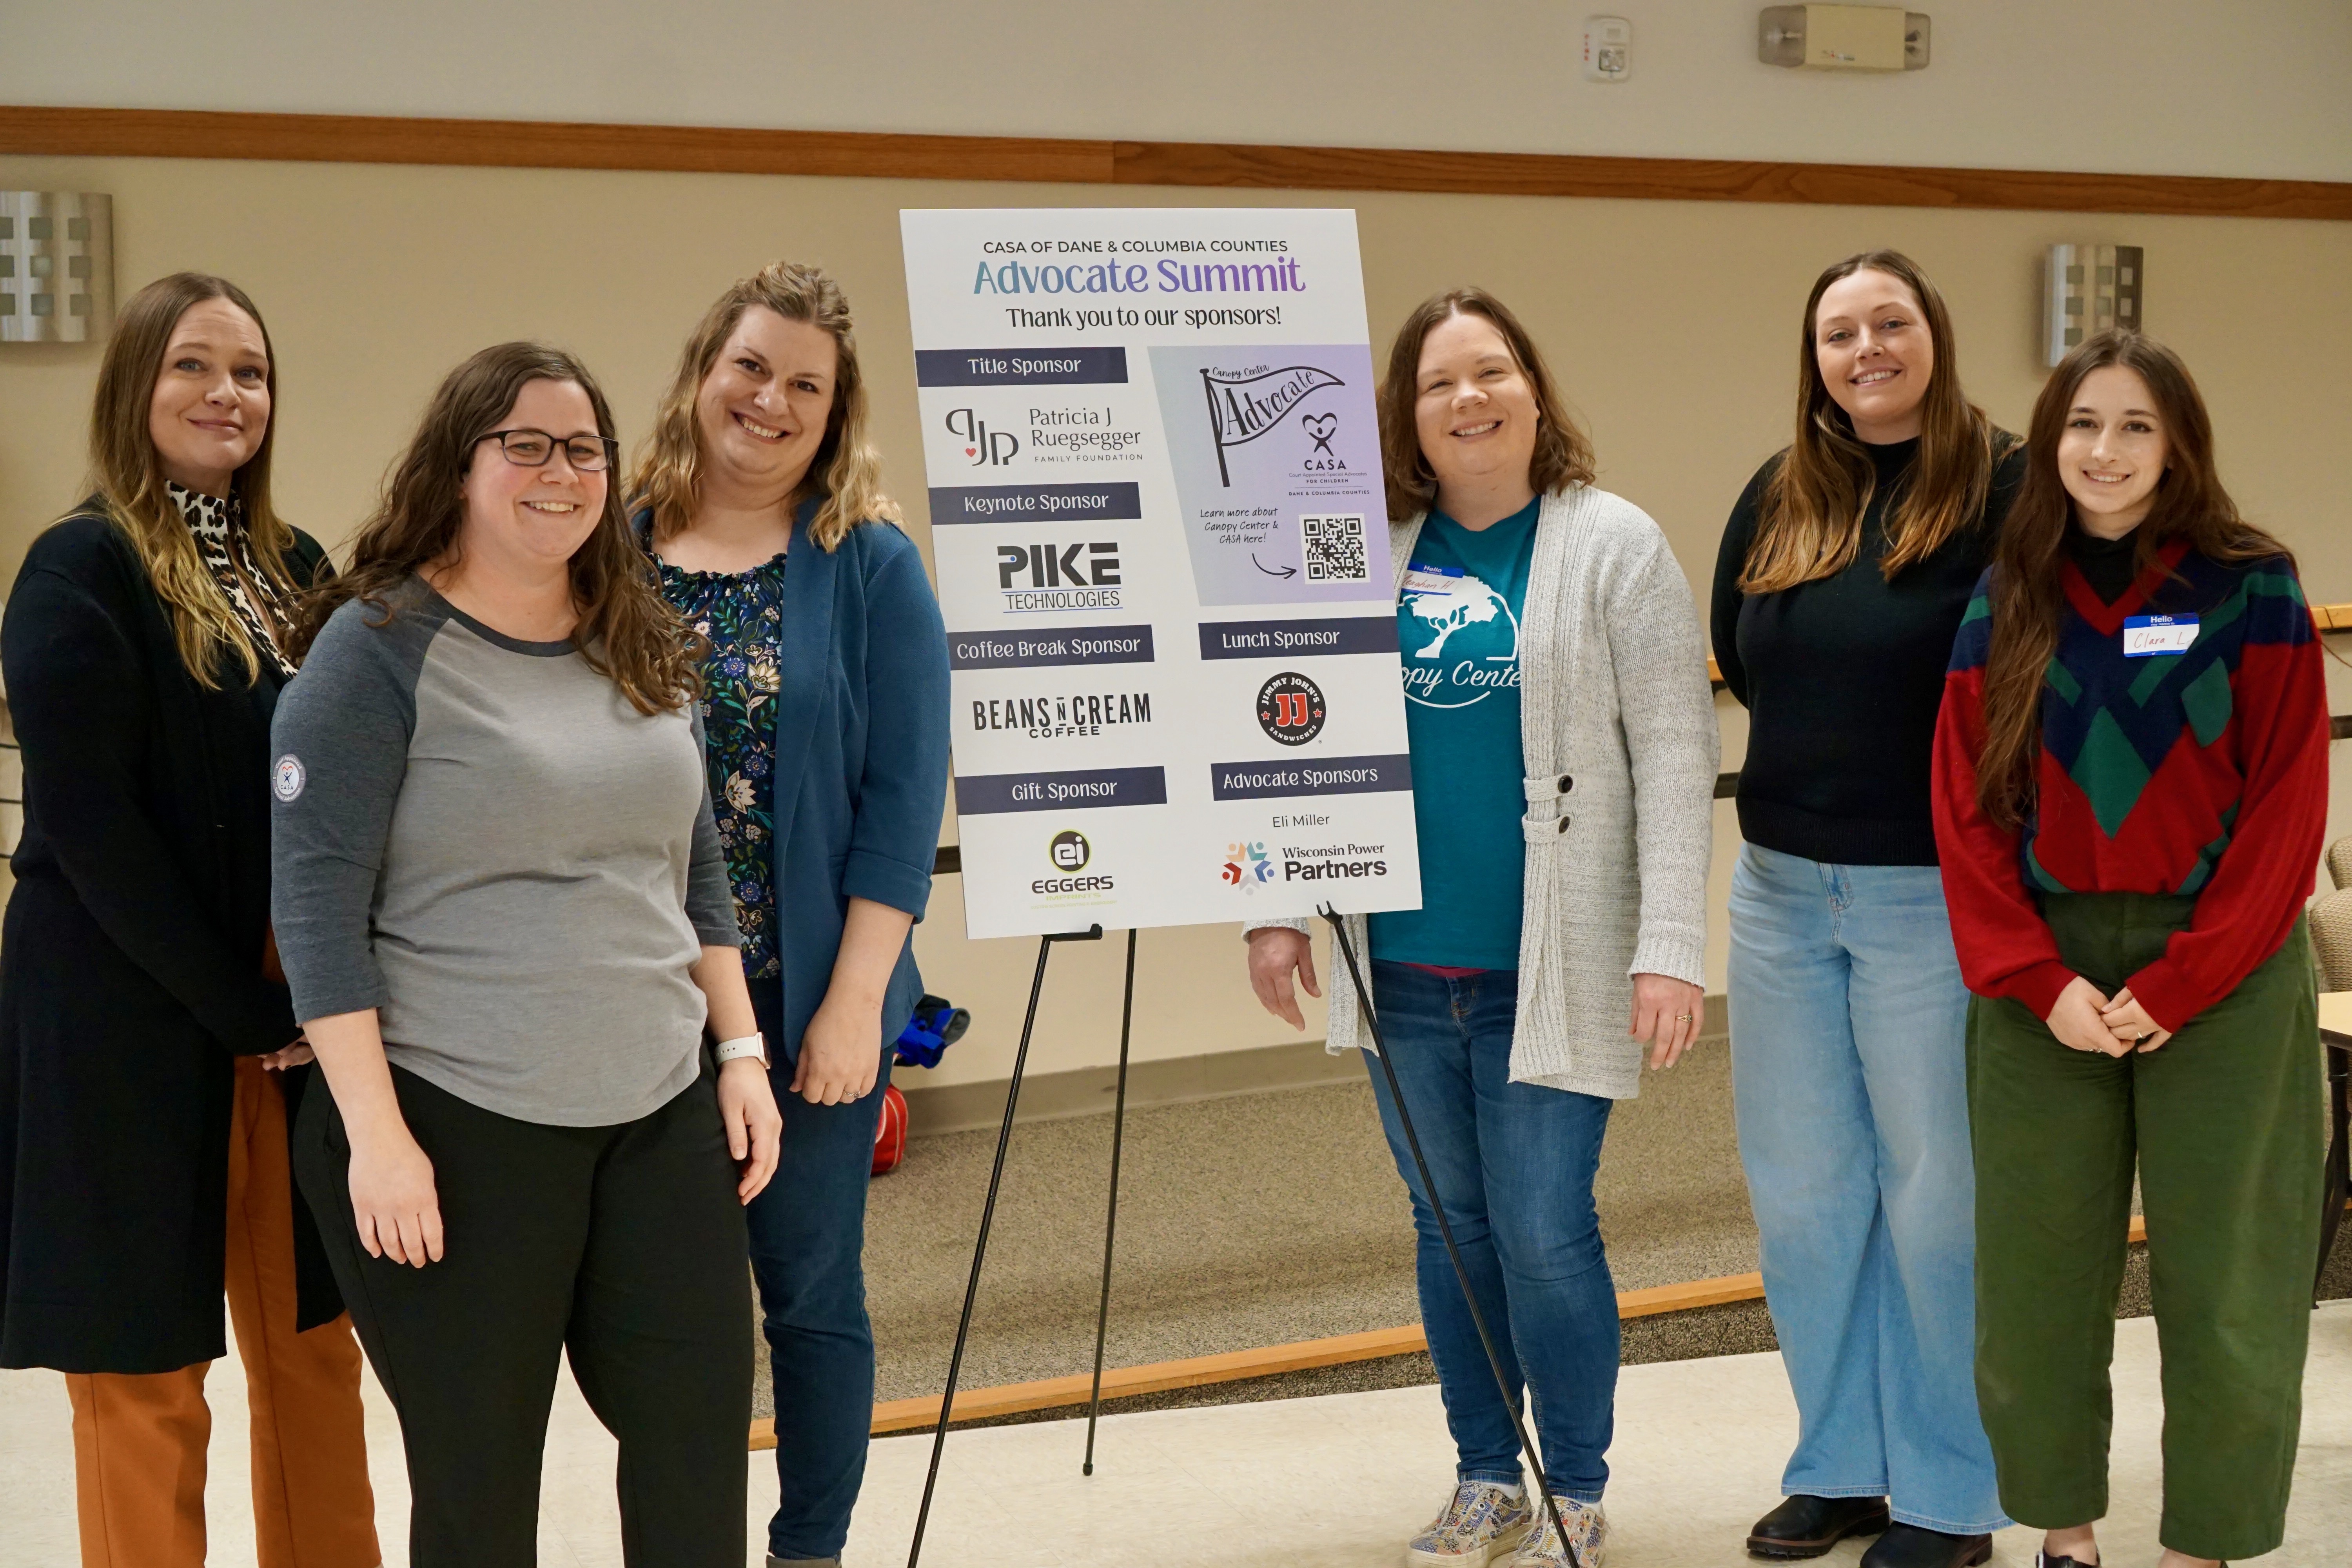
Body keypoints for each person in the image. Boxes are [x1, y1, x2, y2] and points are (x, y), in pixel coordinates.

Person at [271, 341, 784, 1568]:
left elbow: (693, 863)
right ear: (461, 463)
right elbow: (316, 913)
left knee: (696, 1443)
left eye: (585, 449)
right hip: (458, 1121)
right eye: (527, 445)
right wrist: (379, 1141)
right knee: (481, 1485)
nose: (561, 473)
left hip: (659, 1112)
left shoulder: (635, 632)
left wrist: (742, 1052)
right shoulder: (377, 648)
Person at [1246, 288, 1717, 1568]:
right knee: (1447, 1229)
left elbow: (1678, 752)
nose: (1469, 399)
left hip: (1548, 969)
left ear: (1533, 390)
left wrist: (1669, 943)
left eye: (1491, 371)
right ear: (1407, 415)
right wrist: (1281, 909)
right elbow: (1303, 741)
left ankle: (1573, 1482)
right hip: (1396, 961)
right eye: (1439, 382)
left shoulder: (1614, 542)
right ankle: (1483, 1478)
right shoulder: (1364, 548)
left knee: (1546, 1228)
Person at [0, 272, 379, 1568]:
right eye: (194, 367)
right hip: (125, 1011)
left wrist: (321, 998)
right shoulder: (80, 567)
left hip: (288, 1011)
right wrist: (246, 1010)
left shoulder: (301, 571)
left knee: (314, 1349)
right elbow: (91, 833)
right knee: (144, 1380)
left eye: (253, 373)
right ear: (136, 390)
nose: (229, 394)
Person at [1933, 330, 2327, 1568]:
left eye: (2137, 426)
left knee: (2231, 1284)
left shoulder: (2254, 588)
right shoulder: (2007, 597)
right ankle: (2065, 1532)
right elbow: (1963, 809)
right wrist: (2037, 980)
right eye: (2083, 424)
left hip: (2223, 972)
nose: (2106, 452)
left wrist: (2184, 979)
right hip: (2042, 983)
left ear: (2179, 443)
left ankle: (2204, 1544)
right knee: (2036, 1284)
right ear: (2051, 442)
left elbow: (2286, 810)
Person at [629, 261, 949, 1568]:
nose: (770, 401)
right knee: (674, 1315)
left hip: (810, 996)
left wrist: (855, 1003)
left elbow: (901, 801)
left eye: (804, 387)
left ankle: (810, 1549)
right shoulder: (611, 548)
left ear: (835, 414)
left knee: (810, 1298)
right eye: (751, 367)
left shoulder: (866, 566)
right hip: (638, 1008)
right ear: (706, 368)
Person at [1711, 250, 2021, 1568]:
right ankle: (1843, 1464)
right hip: (1780, 893)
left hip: (1929, 901)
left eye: (1890, 322)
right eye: (1839, 332)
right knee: (1806, 1196)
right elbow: (1739, 654)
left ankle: (1952, 1494)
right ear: (1814, 357)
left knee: (1939, 1199)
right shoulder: (1783, 492)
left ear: (1933, 335)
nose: (1867, 349)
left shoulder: (2007, 484)